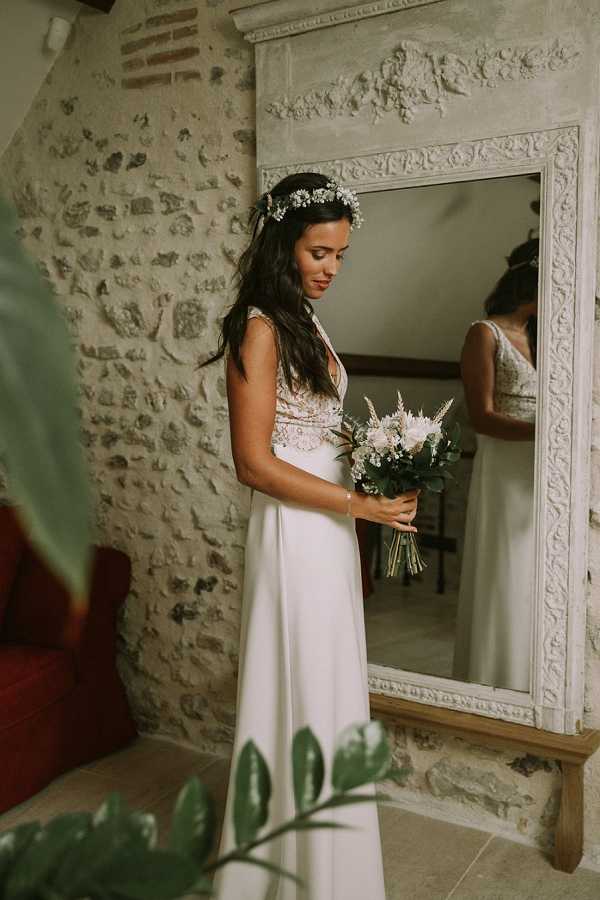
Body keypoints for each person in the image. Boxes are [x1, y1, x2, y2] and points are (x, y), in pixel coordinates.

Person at [200, 172, 419, 899]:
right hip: (296, 533)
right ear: (281, 245)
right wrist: (358, 504)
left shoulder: (304, 319)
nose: (330, 267)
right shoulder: (258, 325)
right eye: (319, 252)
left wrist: (382, 460)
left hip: (329, 526)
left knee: (327, 678)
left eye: (340, 256)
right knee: (295, 675)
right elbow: (254, 464)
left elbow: (314, 430)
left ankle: (331, 869)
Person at [452, 238, 539, 693]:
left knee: (536, 565)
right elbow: (480, 415)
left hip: (544, 468)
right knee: (506, 562)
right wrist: (543, 434)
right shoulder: (483, 333)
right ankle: (493, 677)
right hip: (505, 462)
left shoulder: (549, 338)